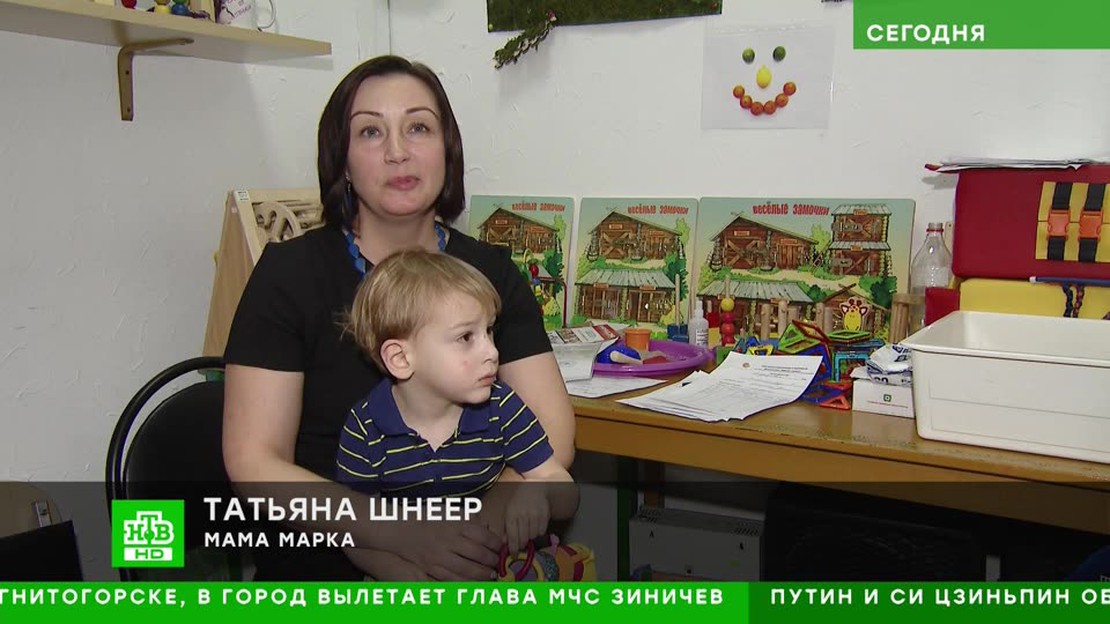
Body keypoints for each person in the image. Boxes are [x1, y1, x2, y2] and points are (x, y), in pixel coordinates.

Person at [221, 55, 575, 581]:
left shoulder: (491, 272)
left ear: (447, 149)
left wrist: (479, 524)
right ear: (341, 161)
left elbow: (554, 432)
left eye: (418, 127)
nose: (397, 151)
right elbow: (254, 463)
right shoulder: (288, 276)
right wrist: (401, 533)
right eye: (370, 132)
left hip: (481, 557)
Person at [335, 250, 578, 575]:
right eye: (466, 337)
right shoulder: (365, 427)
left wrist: (539, 491)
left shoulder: (501, 407)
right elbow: (354, 532)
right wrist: (407, 579)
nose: (492, 352)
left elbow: (565, 490)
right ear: (401, 358)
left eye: (489, 331)